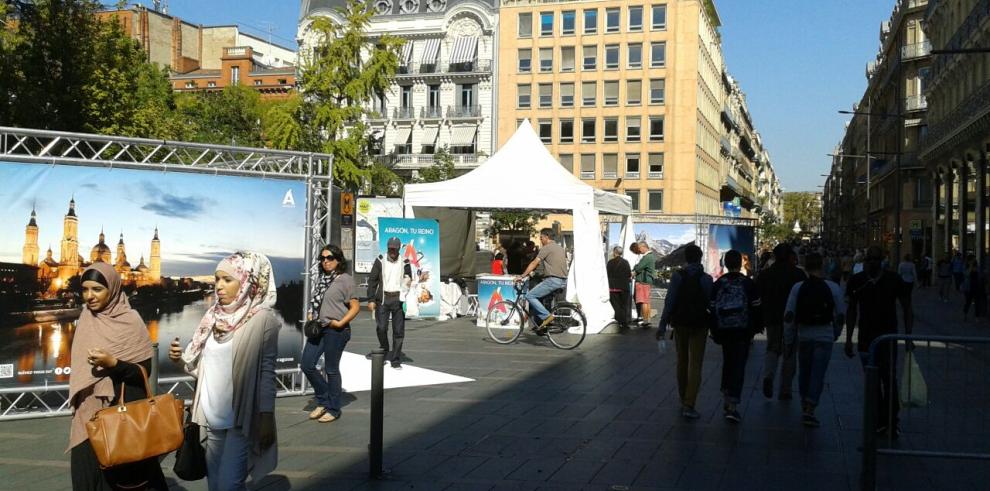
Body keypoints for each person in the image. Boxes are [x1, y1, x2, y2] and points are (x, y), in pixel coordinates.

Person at [169, 251, 279, 490]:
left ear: (248, 281)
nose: (218, 285)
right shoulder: (213, 316)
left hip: (241, 418)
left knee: (229, 485)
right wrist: (180, 360)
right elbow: (204, 368)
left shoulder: (263, 320)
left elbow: (266, 374)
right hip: (209, 416)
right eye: (217, 279)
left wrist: (267, 417)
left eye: (227, 280)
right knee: (215, 483)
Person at [68, 262, 168, 491]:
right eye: (85, 290)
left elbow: (144, 371)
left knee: (123, 481)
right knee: (86, 479)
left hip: (120, 415)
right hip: (87, 415)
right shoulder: (85, 318)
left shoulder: (130, 320)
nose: (89, 296)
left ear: (112, 289)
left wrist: (114, 364)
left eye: (97, 289)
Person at [845, 246, 913, 439]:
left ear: (882, 260)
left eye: (876, 259)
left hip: (888, 338)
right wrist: (849, 338)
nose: (873, 262)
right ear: (865, 260)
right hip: (866, 338)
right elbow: (852, 310)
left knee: (888, 379)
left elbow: (907, 307)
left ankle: (892, 421)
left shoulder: (893, 280)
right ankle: (879, 419)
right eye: (870, 259)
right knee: (872, 381)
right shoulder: (857, 281)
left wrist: (908, 335)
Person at [783, 253, 845, 427]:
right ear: (823, 266)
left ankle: (804, 403)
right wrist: (835, 334)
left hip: (805, 336)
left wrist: (789, 339)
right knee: (818, 373)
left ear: (806, 266)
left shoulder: (798, 288)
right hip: (824, 336)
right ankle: (810, 407)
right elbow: (840, 315)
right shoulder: (833, 288)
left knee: (805, 371)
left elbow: (789, 315)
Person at [302, 245, 360, 423]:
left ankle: (333, 408)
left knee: (331, 369)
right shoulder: (322, 279)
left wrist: (341, 322)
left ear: (338, 260)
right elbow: (318, 301)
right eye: (322, 258)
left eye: (330, 258)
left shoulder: (345, 280)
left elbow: (355, 306)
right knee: (307, 364)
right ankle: (324, 398)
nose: (325, 261)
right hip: (319, 328)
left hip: (336, 330)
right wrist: (312, 314)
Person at [658, 244, 713, 419]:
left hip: (680, 323)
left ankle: (683, 398)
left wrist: (662, 325)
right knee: (696, 364)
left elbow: (670, 301)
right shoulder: (706, 279)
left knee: (682, 361)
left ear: (685, 259)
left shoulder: (677, 276)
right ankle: (690, 403)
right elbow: (711, 303)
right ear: (700, 257)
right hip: (700, 324)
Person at [710, 250, 762, 423]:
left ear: (725, 264)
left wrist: (714, 330)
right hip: (742, 331)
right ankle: (732, 404)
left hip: (725, 330)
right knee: (739, 364)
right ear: (740, 264)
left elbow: (711, 308)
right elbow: (756, 307)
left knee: (728, 360)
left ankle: (726, 392)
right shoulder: (747, 283)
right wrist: (755, 328)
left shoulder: (719, 283)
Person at [756, 243, 807, 400]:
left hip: (772, 318)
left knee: (772, 348)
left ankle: (769, 376)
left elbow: (758, 298)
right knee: (790, 352)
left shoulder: (765, 274)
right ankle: (786, 388)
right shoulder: (798, 275)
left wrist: (760, 319)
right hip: (792, 319)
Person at [367, 237, 413, 369]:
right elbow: (372, 281)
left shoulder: (405, 262)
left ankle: (395, 359)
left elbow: (409, 278)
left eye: (395, 249)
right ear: (387, 248)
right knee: (381, 328)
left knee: (398, 331)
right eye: (390, 248)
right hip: (383, 299)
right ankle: (385, 348)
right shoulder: (380, 260)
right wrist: (371, 299)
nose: (392, 251)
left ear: (399, 249)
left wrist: (408, 282)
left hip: (398, 299)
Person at [519, 228, 568, 329]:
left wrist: (522, 276)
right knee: (542, 299)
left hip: (553, 281)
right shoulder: (560, 248)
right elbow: (554, 266)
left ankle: (547, 317)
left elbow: (534, 263)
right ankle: (543, 326)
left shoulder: (546, 248)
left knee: (530, 296)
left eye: (541, 238)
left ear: (547, 237)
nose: (540, 240)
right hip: (563, 281)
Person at [606, 245, 632, 329]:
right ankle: (624, 323)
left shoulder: (610, 262)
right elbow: (629, 274)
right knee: (624, 305)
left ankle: (617, 322)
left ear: (614, 252)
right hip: (624, 287)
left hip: (613, 287)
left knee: (616, 305)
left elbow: (606, 274)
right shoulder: (625, 262)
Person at [633, 241, 657, 328]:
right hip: (647, 281)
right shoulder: (650, 256)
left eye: (639, 248)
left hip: (643, 281)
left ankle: (645, 320)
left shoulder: (647, 257)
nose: (639, 250)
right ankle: (647, 320)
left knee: (643, 302)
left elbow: (638, 267)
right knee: (646, 301)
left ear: (644, 247)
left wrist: (636, 267)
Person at [962, 257, 985, 321]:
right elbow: (966, 274)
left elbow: (981, 276)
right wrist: (971, 267)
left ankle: (977, 316)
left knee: (977, 302)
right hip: (968, 288)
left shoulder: (978, 268)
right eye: (971, 261)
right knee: (968, 302)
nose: (972, 262)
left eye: (973, 260)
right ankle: (965, 314)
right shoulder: (966, 267)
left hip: (976, 287)